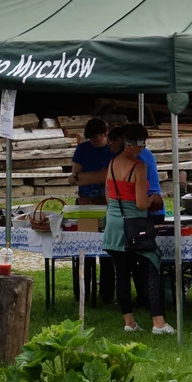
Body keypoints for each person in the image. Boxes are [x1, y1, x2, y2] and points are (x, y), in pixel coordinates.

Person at [103, 124, 175, 335]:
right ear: (139, 143)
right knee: (152, 267)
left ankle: (129, 322)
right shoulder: (139, 166)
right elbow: (142, 203)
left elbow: (109, 197)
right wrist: (155, 198)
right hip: (134, 224)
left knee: (121, 273)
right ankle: (159, 323)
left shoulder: (112, 163)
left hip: (114, 221)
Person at [67, 118, 118, 303]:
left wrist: (84, 177)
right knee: (83, 248)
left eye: (96, 138)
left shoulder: (112, 150)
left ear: (105, 134)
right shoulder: (83, 149)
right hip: (85, 204)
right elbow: (74, 178)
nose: (93, 142)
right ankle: (82, 293)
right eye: (90, 139)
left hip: (107, 204)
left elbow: (108, 176)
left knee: (108, 250)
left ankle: (106, 295)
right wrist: (86, 177)